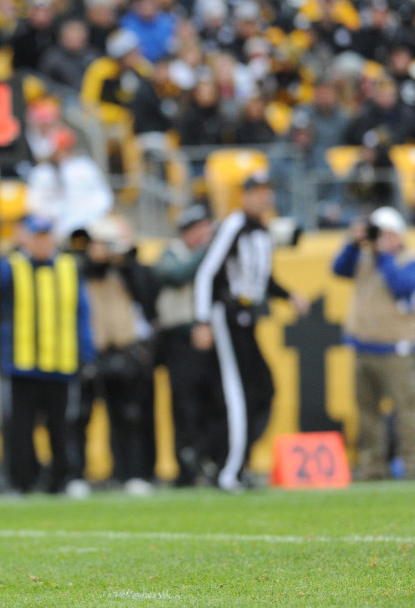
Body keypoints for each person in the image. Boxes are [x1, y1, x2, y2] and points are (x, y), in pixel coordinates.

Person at [193, 172, 309, 491]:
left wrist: (289, 296)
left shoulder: (262, 232)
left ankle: (232, 459)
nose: (263, 197)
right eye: (256, 191)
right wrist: (202, 320)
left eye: (266, 191)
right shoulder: (234, 225)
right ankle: (228, 470)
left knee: (263, 389)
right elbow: (207, 272)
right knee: (238, 395)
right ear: (244, 196)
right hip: (227, 315)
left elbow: (261, 280)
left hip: (247, 317)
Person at [0, 214, 95, 494]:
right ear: (27, 239)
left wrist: (87, 354)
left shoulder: (68, 267)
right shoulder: (13, 266)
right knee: (20, 428)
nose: (42, 244)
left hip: (60, 361)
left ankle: (62, 479)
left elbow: (81, 313)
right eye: (37, 238)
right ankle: (23, 480)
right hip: (23, 362)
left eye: (46, 238)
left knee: (61, 427)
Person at [332, 207, 415, 481]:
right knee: (367, 412)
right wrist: (353, 242)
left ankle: (412, 463)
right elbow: (339, 268)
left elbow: (402, 286)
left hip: (397, 349)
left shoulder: (407, 260)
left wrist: (385, 255)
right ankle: (372, 465)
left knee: (407, 411)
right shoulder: (364, 257)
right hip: (363, 345)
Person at [79, 216, 158, 494]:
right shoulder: (82, 270)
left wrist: (123, 260)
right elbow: (86, 270)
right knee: (81, 416)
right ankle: (78, 474)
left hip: (125, 350)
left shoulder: (126, 270)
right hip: (93, 350)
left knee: (129, 416)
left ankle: (132, 473)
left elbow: (146, 293)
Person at [154, 204, 223, 486]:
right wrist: (207, 250)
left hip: (210, 340)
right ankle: (186, 466)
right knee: (185, 405)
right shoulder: (172, 253)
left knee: (213, 404)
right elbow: (176, 274)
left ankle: (210, 461)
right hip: (180, 340)